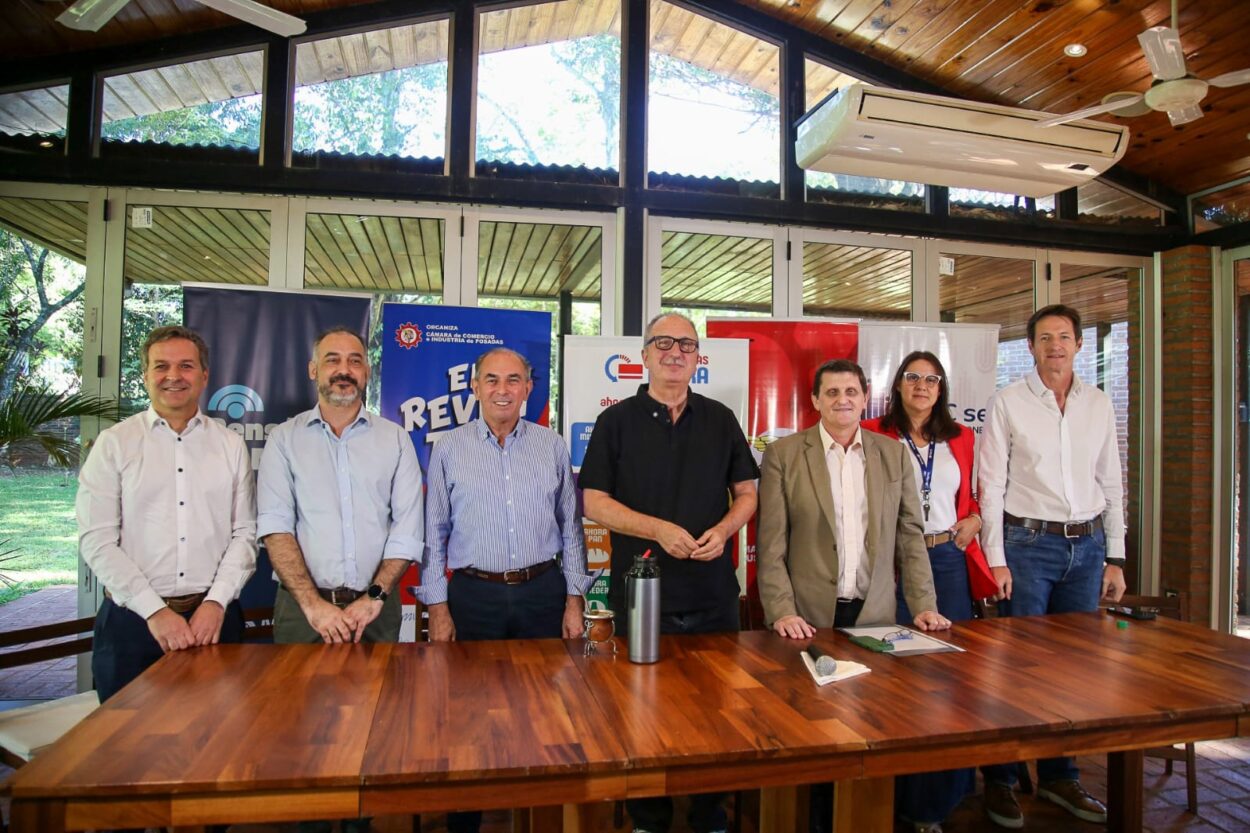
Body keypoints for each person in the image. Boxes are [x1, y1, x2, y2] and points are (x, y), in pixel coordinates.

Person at [579, 312, 759, 833]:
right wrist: (657, 529)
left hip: (712, 595)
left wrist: (725, 531)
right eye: (664, 342)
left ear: (698, 358)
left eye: (686, 344)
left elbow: (747, 494)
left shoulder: (721, 418)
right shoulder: (615, 421)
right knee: (641, 713)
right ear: (645, 354)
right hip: (642, 596)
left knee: (717, 714)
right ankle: (648, 818)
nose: (675, 352)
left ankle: (709, 814)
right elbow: (593, 501)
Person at [757, 357, 947, 833]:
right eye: (832, 392)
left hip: (875, 616)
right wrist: (780, 609)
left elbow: (909, 535)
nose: (843, 400)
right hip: (808, 619)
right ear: (816, 401)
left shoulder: (891, 454)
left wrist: (924, 604)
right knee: (812, 737)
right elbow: (772, 543)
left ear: (866, 398)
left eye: (852, 392)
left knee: (871, 729)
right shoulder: (784, 454)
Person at [257, 326, 422, 833]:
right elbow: (275, 526)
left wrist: (374, 597)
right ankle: (307, 823)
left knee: (372, 729)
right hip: (303, 610)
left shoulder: (394, 438)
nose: (344, 369)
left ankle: (361, 823)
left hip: (376, 609)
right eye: (332, 360)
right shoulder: (284, 440)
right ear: (314, 371)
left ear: (367, 371)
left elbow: (408, 526)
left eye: (354, 360)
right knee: (300, 730)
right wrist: (313, 605)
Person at [421, 346, 591, 833]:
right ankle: (465, 820)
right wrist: (437, 606)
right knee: (469, 718)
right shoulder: (449, 447)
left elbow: (571, 527)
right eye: (491, 380)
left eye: (513, 380)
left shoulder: (552, 445)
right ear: (474, 387)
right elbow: (434, 532)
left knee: (544, 714)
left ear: (529, 388)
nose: (502, 390)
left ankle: (538, 816)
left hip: (543, 591)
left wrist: (573, 598)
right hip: (474, 597)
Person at [978, 304, 1127, 830]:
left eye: (1064, 337)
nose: (1055, 346)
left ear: (1080, 345)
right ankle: (999, 780)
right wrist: (995, 557)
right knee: (1015, 670)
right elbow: (990, 486)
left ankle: (1062, 776)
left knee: (1073, 671)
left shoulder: (1099, 404)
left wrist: (1115, 555)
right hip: (1027, 546)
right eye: (1045, 338)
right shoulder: (1008, 402)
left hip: (1086, 549)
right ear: (1032, 347)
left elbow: (1111, 482)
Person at [77, 325, 256, 702]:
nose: (173, 376)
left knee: (217, 744)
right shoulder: (115, 444)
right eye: (161, 366)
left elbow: (245, 533)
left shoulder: (230, 445)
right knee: (126, 749)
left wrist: (215, 602)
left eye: (186, 366)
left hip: (214, 621)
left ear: (204, 376)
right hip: (133, 624)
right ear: (145, 375)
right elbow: (97, 540)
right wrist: (154, 611)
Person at [862, 350, 995, 833]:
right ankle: (887, 796)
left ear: (941, 390)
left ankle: (933, 804)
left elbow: (975, 493)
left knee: (947, 681)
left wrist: (975, 518)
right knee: (892, 679)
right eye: (913, 377)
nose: (922, 386)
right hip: (891, 562)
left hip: (946, 560)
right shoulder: (873, 433)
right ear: (897, 385)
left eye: (932, 379)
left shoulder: (960, 437)